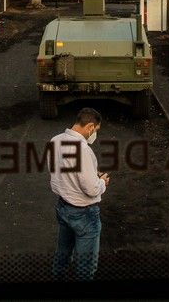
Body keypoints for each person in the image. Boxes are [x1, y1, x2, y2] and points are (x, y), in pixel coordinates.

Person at [49, 107, 109, 280]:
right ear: (90, 126)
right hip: (84, 214)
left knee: (62, 254)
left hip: (63, 207)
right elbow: (92, 189)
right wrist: (102, 182)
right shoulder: (83, 150)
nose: (94, 134)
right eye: (96, 130)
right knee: (86, 266)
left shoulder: (55, 140)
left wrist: (91, 175)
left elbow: (59, 172)